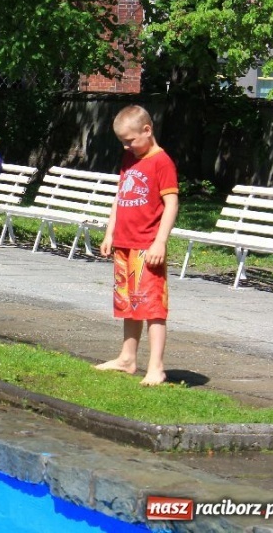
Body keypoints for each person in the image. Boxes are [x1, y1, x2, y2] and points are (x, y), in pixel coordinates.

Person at [96, 105, 179, 386]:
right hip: (125, 243)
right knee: (129, 304)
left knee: (152, 308)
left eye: (130, 140)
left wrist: (160, 241)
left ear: (147, 130)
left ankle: (156, 367)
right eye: (122, 141)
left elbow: (171, 204)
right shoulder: (130, 159)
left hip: (147, 246)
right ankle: (127, 358)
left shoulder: (161, 162)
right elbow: (119, 199)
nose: (126, 145)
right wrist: (110, 233)